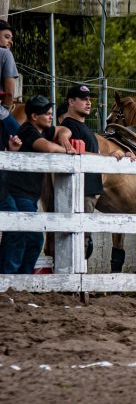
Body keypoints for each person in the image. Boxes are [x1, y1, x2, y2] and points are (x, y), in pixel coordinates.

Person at [0, 95, 76, 273]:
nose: (51, 117)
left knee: (28, 238)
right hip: (18, 192)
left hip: (28, 194)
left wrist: (64, 138)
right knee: (23, 236)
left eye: (51, 113)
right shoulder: (27, 130)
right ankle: (10, 278)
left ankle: (18, 279)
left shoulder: (44, 130)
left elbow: (64, 129)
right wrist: (68, 150)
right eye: (47, 114)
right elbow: (48, 148)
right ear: (34, 116)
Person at [60, 83, 134, 258]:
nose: (89, 102)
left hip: (90, 192)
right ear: (71, 101)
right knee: (79, 242)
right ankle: (74, 283)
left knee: (84, 240)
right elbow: (68, 141)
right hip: (79, 193)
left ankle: (79, 282)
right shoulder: (69, 125)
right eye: (83, 99)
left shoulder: (85, 129)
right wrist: (63, 138)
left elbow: (94, 154)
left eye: (89, 99)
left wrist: (119, 154)